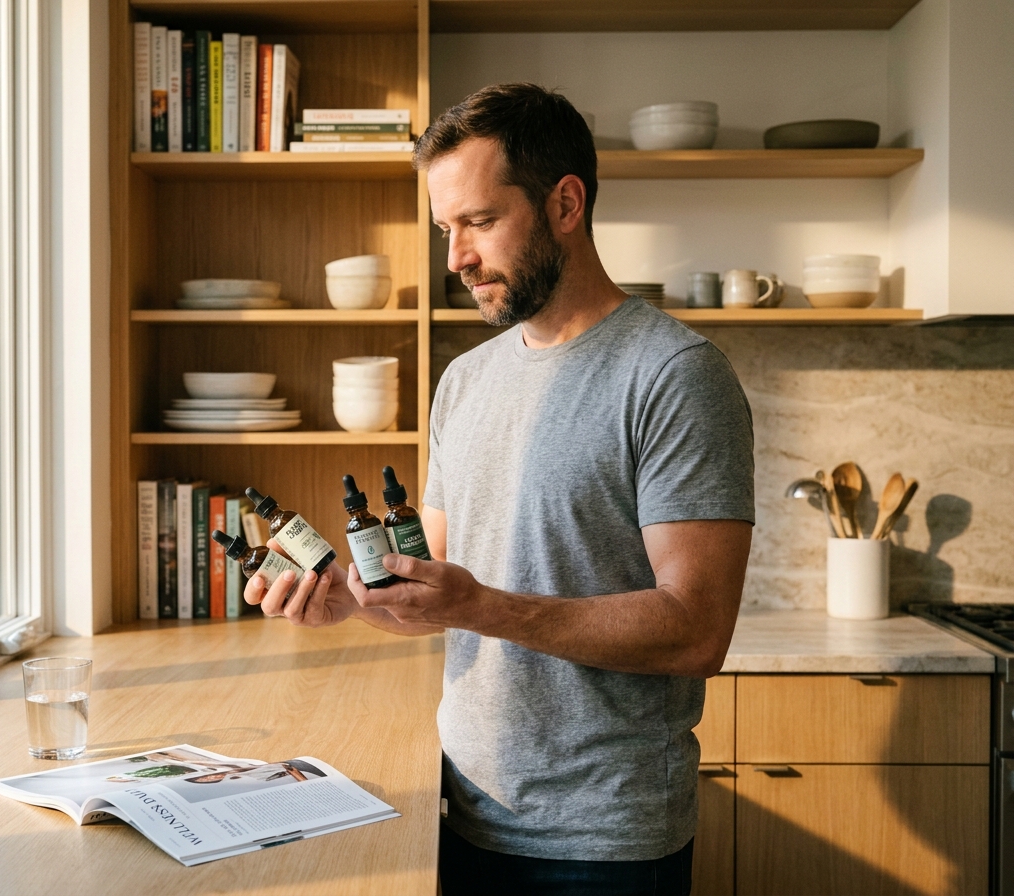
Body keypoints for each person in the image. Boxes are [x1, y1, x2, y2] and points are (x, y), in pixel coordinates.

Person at [244, 83, 755, 896]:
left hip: (602, 842)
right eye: (447, 229)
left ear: (564, 203)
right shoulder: (465, 382)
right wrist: (350, 599)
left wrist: (483, 605)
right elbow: (435, 591)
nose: (455, 259)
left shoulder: (675, 376)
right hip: (464, 808)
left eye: (478, 222)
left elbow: (697, 630)